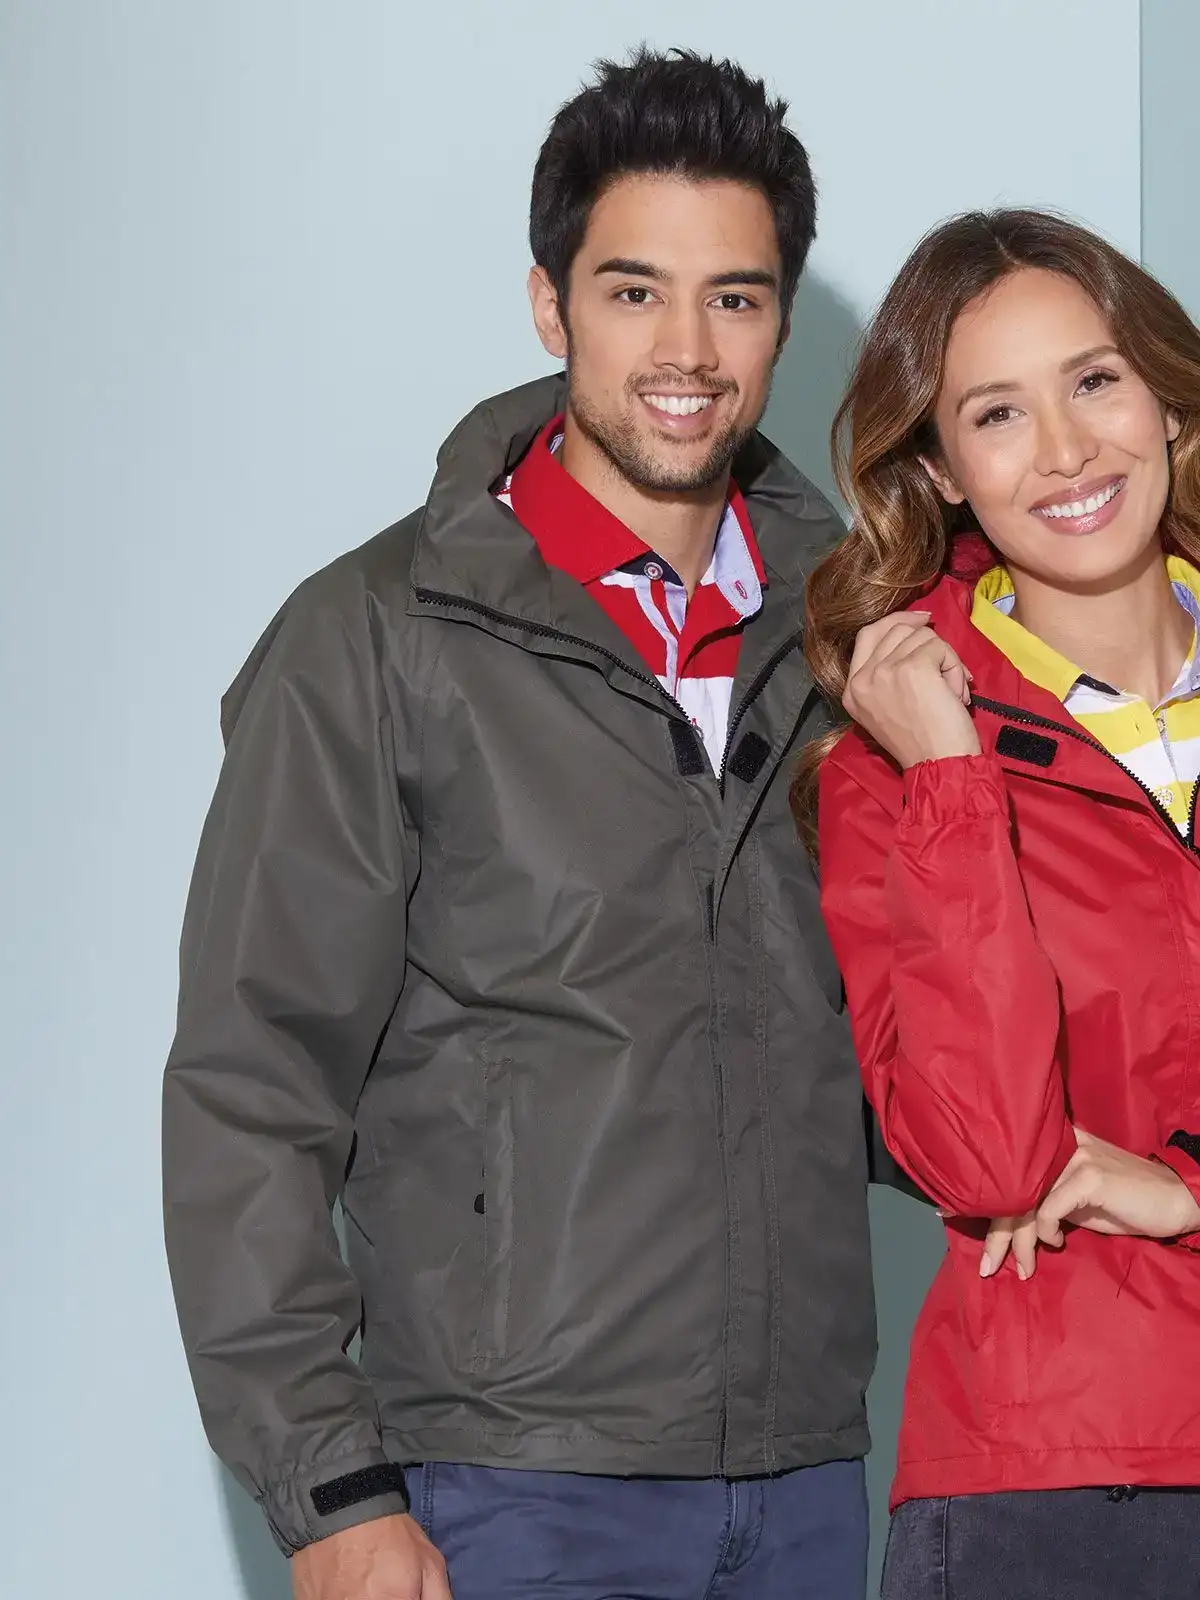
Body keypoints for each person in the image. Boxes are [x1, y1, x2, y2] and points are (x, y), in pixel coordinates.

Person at [163, 49, 876, 1600]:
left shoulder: (856, 640)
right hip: (510, 1486)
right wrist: (329, 1492)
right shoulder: (372, 639)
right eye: (633, 292)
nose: (687, 349)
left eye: (736, 297)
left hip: (810, 1477)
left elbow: (898, 1033)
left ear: (780, 321)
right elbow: (252, 1085)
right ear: (551, 308)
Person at [794, 208, 1200, 1599]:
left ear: (1165, 398)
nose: (1068, 451)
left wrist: (1178, 1192)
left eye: (1095, 381)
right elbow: (984, 1157)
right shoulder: (894, 775)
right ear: (940, 470)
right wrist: (952, 780)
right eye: (999, 415)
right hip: (1059, 1486)